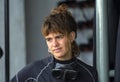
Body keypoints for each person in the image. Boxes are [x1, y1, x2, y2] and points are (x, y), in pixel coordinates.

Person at [10, 4, 98, 82]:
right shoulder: (35, 70)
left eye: (59, 37)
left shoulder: (90, 74)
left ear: (71, 36)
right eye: (49, 39)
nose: (54, 44)